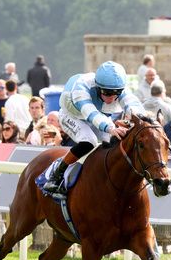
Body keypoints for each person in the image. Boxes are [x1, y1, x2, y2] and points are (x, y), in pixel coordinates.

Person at [42, 61, 144, 196]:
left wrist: (141, 121)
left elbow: (134, 107)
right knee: (89, 141)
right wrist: (111, 127)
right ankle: (56, 175)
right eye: (107, 93)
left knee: (113, 141)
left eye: (117, 93)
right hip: (73, 116)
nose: (111, 98)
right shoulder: (81, 87)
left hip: (98, 116)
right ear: (97, 87)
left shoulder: (119, 88)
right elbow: (91, 114)